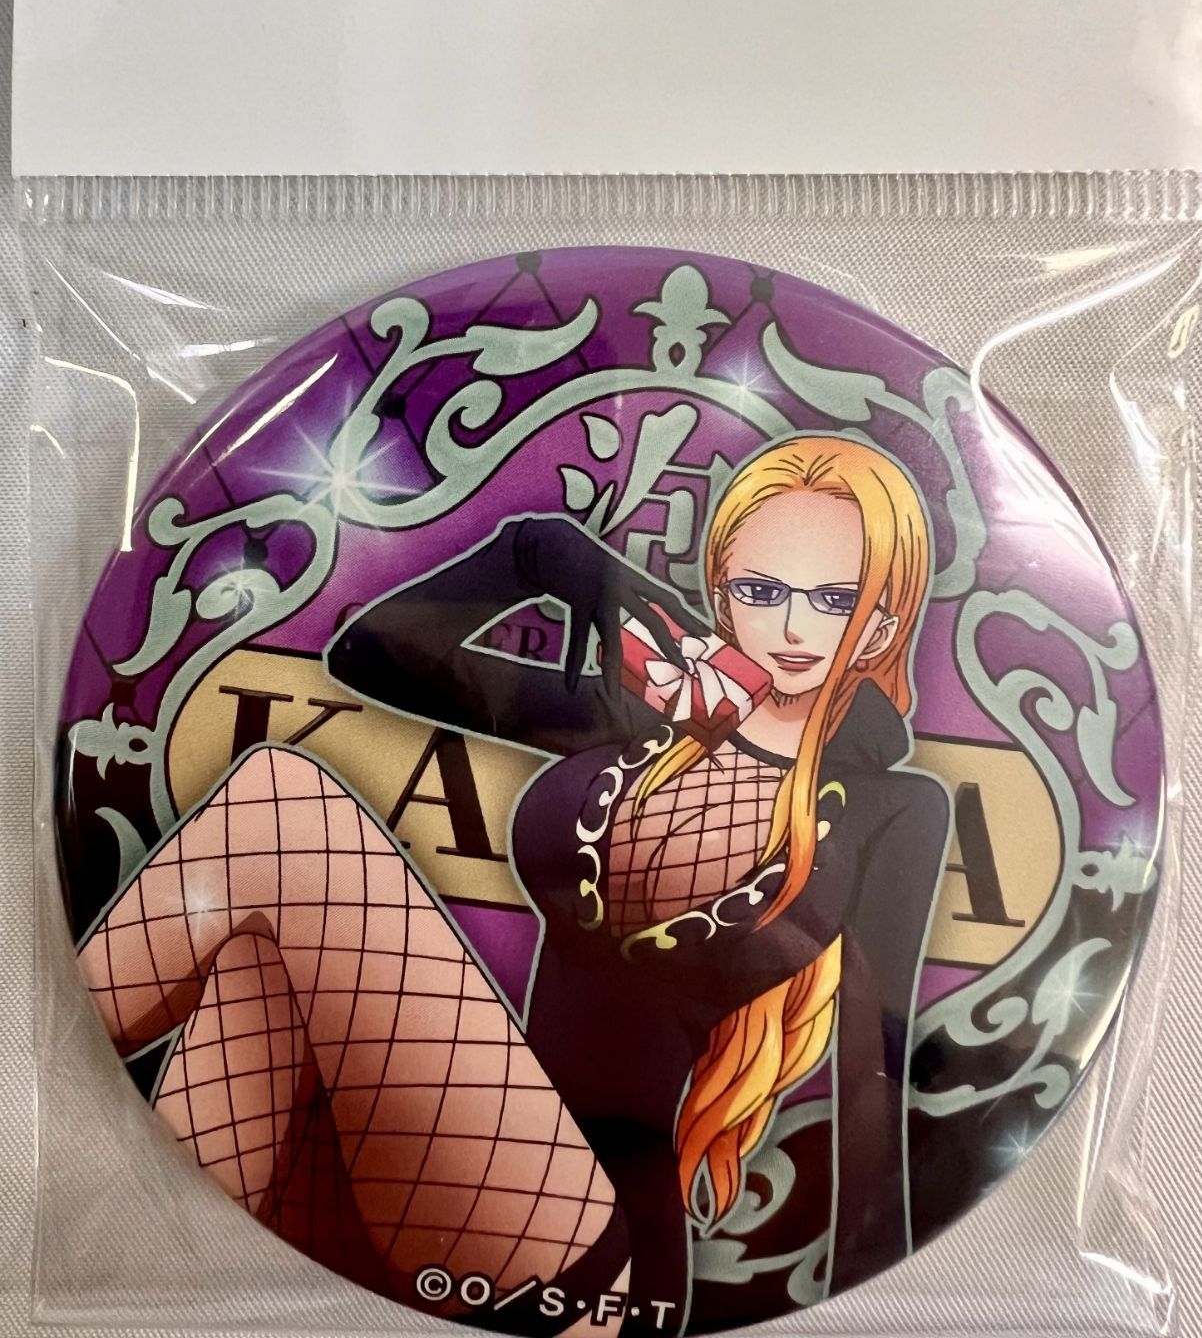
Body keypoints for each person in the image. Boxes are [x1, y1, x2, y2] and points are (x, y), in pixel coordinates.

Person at [78, 433, 949, 1336]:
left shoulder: (893, 809)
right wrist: (552, 555)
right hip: (453, 1169)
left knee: (282, 804)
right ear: (721, 594)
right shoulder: (636, 728)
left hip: (598, 1252)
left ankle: (49, 1057)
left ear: (881, 625)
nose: (794, 627)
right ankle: (145, 1265)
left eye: (835, 599)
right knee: (251, 979)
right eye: (762, 591)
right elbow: (369, 654)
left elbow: (875, 1089)